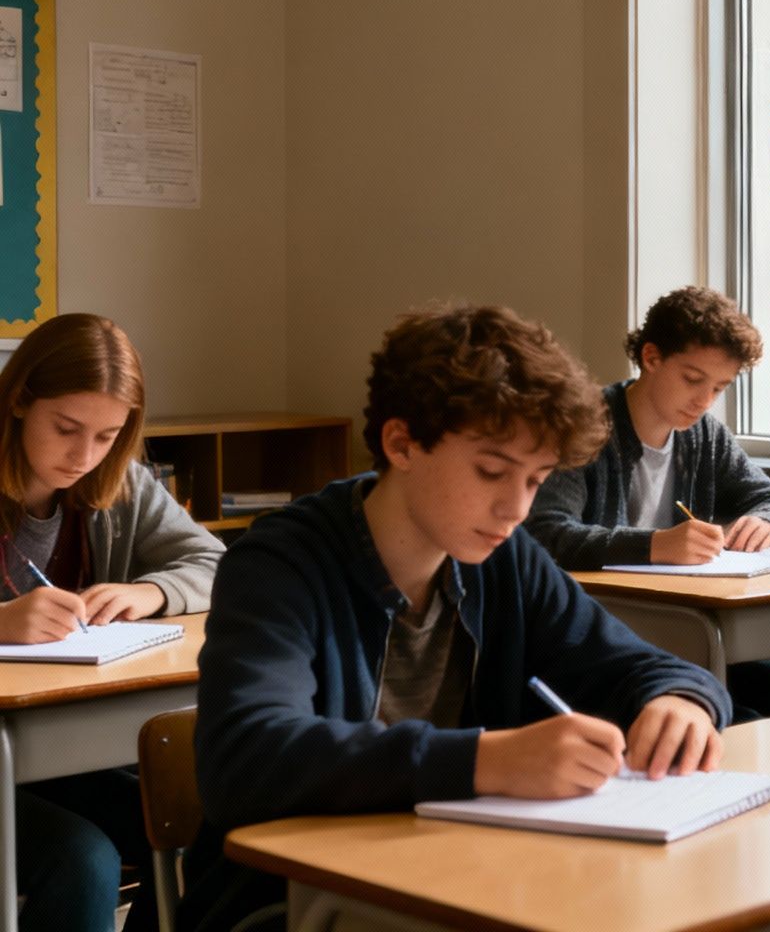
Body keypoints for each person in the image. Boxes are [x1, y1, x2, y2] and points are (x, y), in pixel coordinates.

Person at [181, 305, 731, 932]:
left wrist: (681, 700)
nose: (516, 508)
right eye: (492, 471)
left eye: (537, 480)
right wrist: (487, 760)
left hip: (460, 879)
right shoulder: (280, 563)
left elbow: (637, 665)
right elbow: (246, 759)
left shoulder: (503, 558)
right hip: (289, 904)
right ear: (401, 443)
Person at [0, 313, 223, 932]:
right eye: (66, 429)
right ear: (20, 400)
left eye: (106, 436)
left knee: (206, 825)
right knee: (83, 859)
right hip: (10, 753)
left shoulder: (113, 481)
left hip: (55, 749)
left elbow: (217, 562)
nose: (84, 455)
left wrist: (151, 591)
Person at [526, 286, 770, 723]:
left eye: (720, 387)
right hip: (598, 644)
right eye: (693, 380)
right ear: (651, 358)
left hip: (680, 641)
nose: (705, 400)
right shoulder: (586, 427)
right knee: (742, 718)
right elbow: (544, 533)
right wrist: (654, 546)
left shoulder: (702, 435)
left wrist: (769, 523)